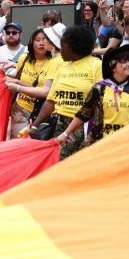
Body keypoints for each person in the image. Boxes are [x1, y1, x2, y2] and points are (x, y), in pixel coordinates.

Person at [54, 45, 129, 153]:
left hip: (128, 147)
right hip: (101, 147)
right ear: (112, 66)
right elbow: (83, 113)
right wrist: (66, 133)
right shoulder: (100, 89)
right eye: (123, 61)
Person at [31, 25, 102, 159]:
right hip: (59, 123)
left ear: (75, 48)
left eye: (63, 46)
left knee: (66, 162)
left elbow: (100, 98)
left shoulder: (96, 65)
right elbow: (51, 101)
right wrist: (34, 125)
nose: (60, 49)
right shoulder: (62, 67)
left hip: (83, 125)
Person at [5, 28, 55, 137]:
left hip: (40, 113)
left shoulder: (53, 63)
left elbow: (45, 91)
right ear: (31, 42)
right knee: (17, 143)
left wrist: (17, 84)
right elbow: (16, 77)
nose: (41, 43)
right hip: (20, 110)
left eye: (44, 40)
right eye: (37, 40)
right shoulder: (24, 58)